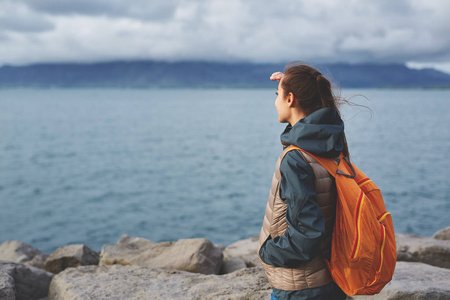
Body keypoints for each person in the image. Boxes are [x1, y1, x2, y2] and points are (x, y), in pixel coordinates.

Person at [257, 62, 348, 300]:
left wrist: (268, 252)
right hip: (331, 280)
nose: (275, 102)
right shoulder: (332, 145)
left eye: (277, 95)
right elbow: (309, 127)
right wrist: (290, 85)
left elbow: (307, 234)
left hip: (301, 288)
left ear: (290, 99)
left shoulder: (296, 159)